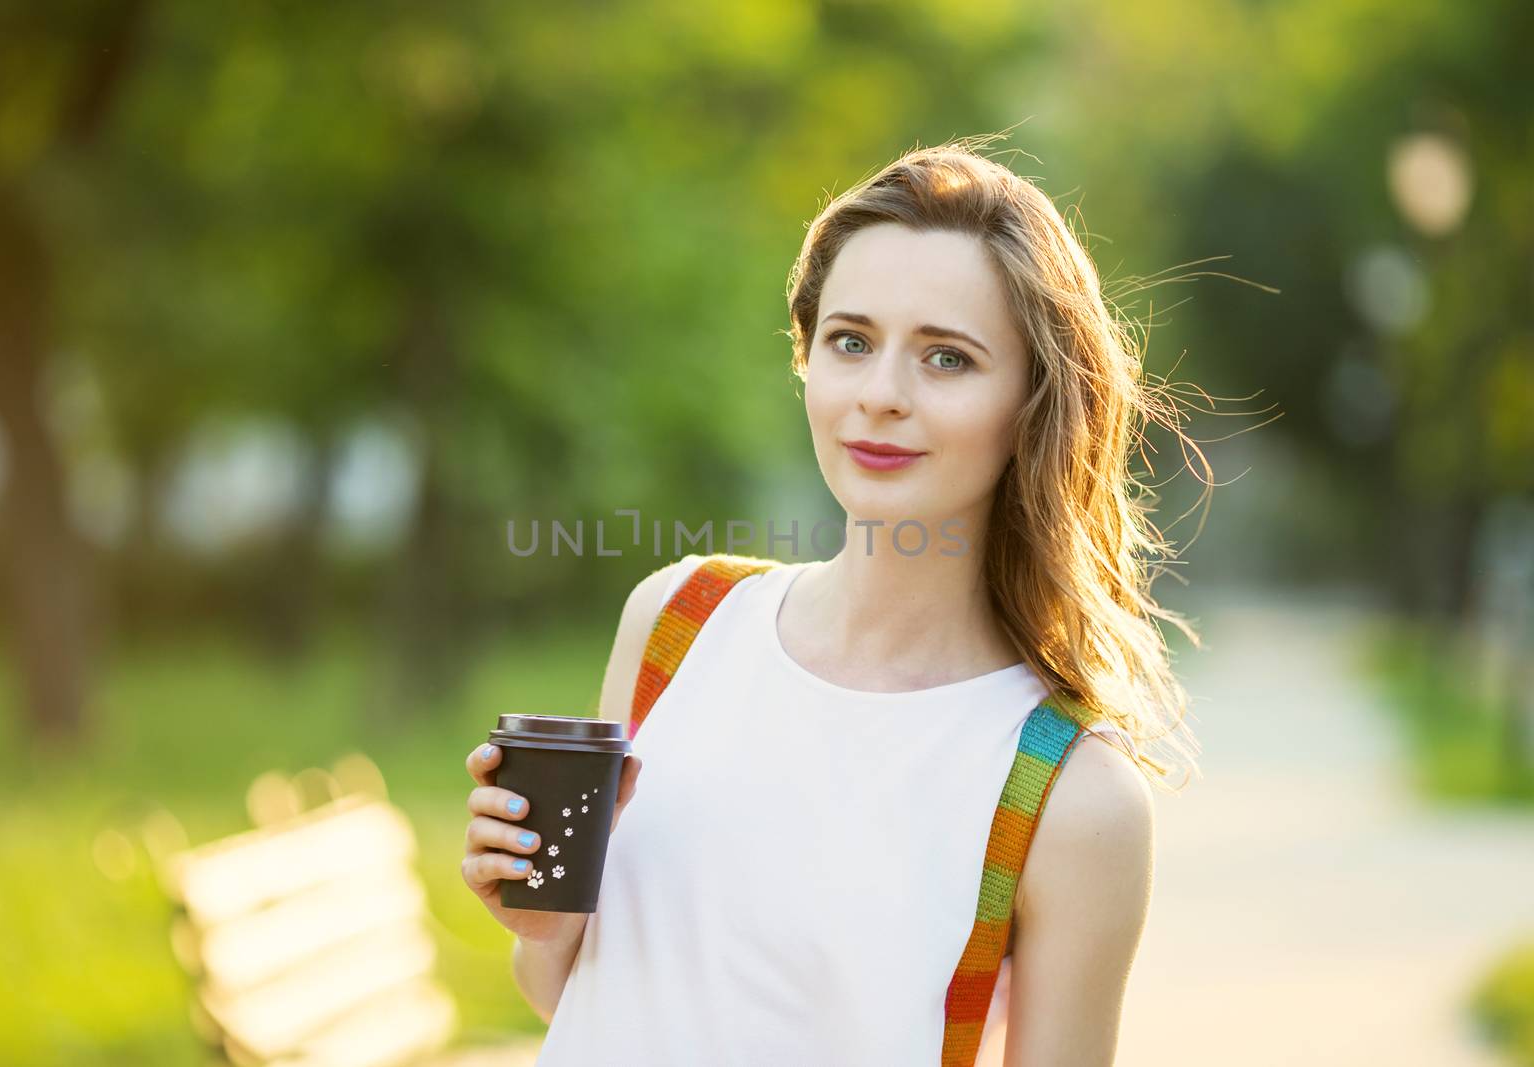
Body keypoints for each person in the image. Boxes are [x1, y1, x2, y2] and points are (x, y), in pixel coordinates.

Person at [462, 135, 1203, 1066]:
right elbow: (566, 995)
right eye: (851, 342)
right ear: (808, 359)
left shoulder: (1068, 794)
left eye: (947, 359)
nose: (881, 395)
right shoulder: (677, 622)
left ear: (1033, 403)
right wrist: (539, 918)